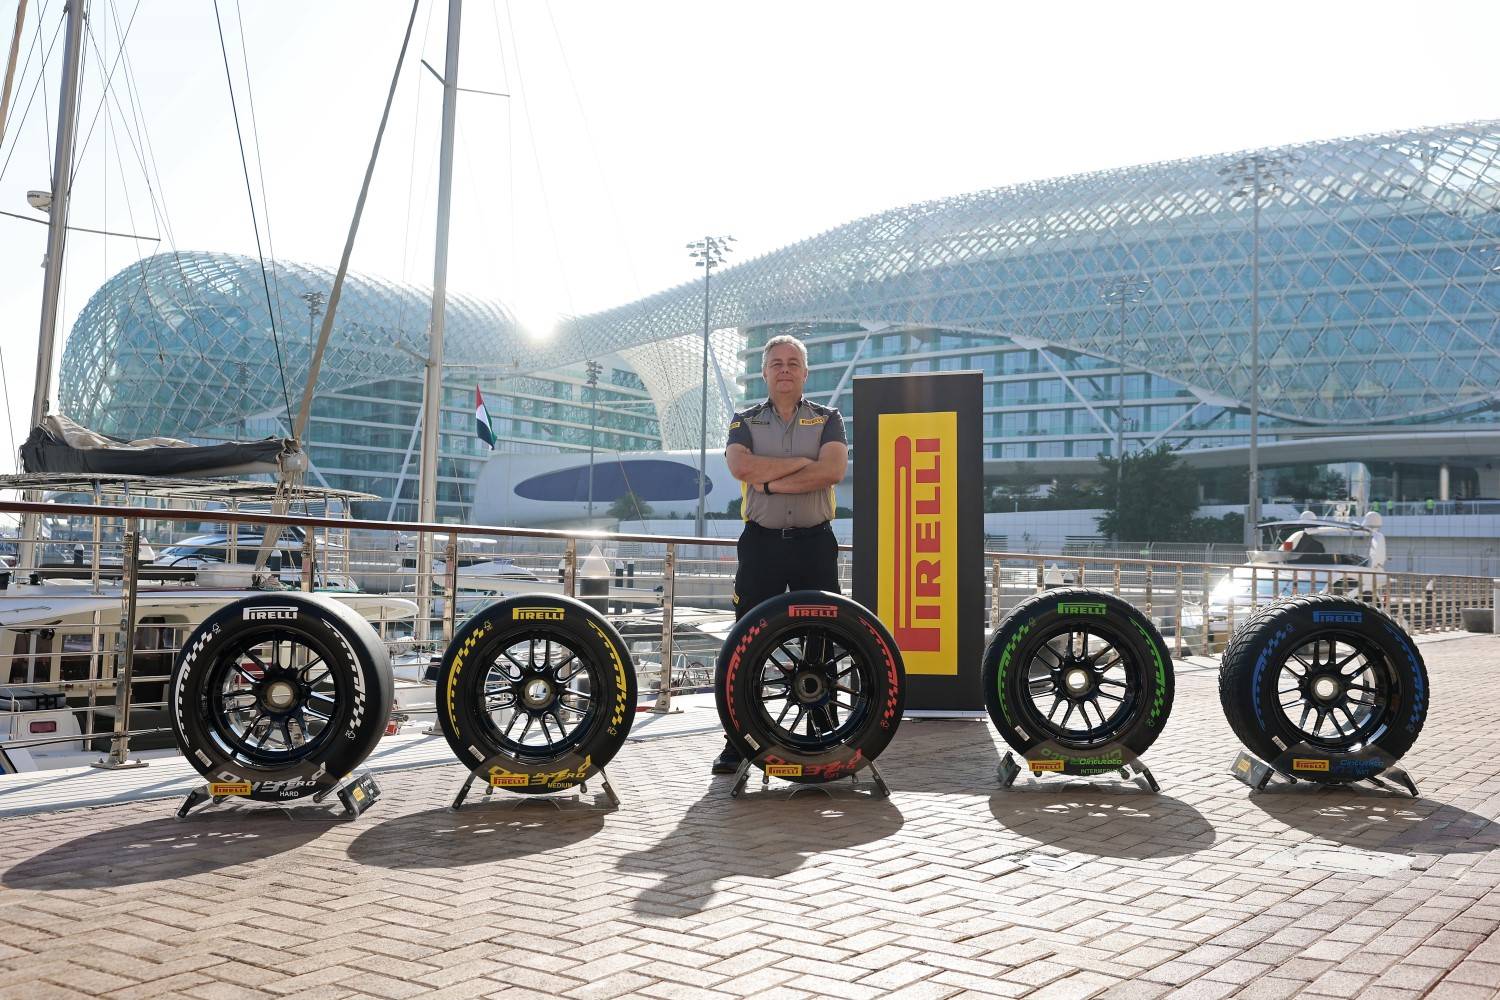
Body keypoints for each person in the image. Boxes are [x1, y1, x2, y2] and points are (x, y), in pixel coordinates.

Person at [711, 334, 848, 774]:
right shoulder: (745, 419)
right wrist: (802, 469)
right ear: (766, 372)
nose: (785, 369)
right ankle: (738, 740)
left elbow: (833, 472)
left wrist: (768, 481)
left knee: (822, 639)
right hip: (761, 544)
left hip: (814, 543)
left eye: (793, 363)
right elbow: (741, 468)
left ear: (805, 373)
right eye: (776, 363)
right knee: (745, 641)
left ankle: (824, 730)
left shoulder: (829, 419)